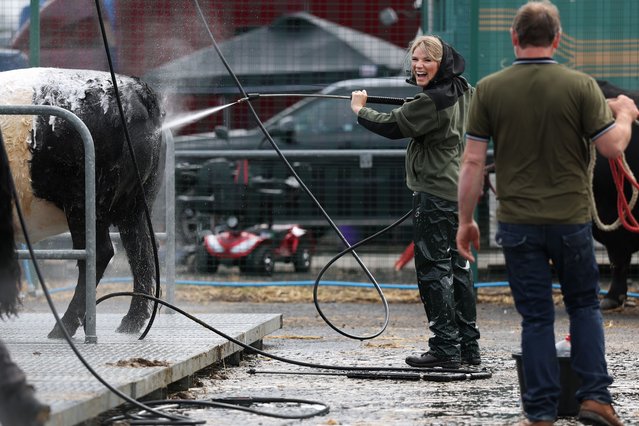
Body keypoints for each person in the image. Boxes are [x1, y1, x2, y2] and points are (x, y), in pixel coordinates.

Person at [456, 1, 638, 425]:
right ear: (557, 39)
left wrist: (465, 221)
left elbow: (470, 164)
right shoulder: (580, 86)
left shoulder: (490, 89)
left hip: (518, 224)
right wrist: (626, 114)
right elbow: (612, 147)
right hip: (571, 220)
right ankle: (595, 399)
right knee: (584, 308)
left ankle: (539, 413)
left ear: (514, 38)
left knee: (536, 317)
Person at [351, 35, 480, 369]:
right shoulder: (463, 88)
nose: (419, 65)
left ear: (442, 64)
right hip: (458, 192)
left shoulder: (432, 101)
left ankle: (445, 350)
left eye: (427, 60)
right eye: (416, 59)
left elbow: (394, 125)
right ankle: (468, 349)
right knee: (459, 269)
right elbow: (420, 111)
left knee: (433, 270)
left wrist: (360, 109)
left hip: (435, 194)